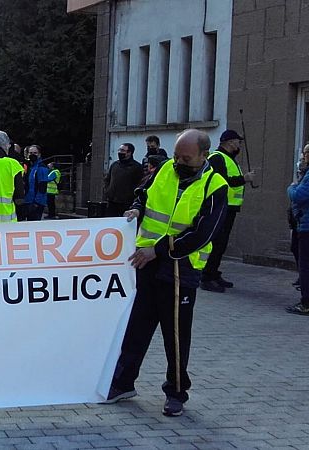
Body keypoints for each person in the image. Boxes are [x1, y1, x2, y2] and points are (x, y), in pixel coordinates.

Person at [103, 129, 228, 417]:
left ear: (203, 156)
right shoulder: (164, 170)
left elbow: (203, 233)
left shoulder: (215, 185)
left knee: (175, 335)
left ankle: (176, 392)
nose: (179, 162)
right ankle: (123, 382)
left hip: (180, 269)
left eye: (186, 158)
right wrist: (136, 209)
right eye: (176, 156)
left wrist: (157, 250)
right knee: (137, 327)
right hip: (147, 264)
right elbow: (143, 195)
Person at [198, 130, 255, 292]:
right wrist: (244, 178)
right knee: (217, 243)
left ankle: (214, 273)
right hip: (220, 207)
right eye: (238, 142)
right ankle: (206, 277)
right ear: (230, 142)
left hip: (229, 208)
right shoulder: (217, 157)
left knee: (221, 244)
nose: (239, 145)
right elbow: (222, 181)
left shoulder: (229, 159)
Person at [286, 144, 309, 315]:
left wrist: (292, 187)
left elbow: (299, 195)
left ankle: (306, 303)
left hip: (306, 225)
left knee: (305, 264)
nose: (303, 156)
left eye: (305, 153)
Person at [104, 143, 144, 217]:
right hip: (112, 202)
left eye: (122, 150)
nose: (120, 152)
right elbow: (107, 179)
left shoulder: (137, 167)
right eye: (119, 150)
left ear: (129, 153)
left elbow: (140, 184)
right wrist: (107, 191)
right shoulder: (115, 165)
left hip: (127, 203)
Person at [22, 145, 55, 221]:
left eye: (35, 153)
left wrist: (37, 203)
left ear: (39, 154)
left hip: (35, 203)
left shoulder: (41, 167)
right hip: (28, 201)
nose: (32, 155)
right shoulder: (30, 167)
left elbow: (42, 187)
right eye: (30, 153)